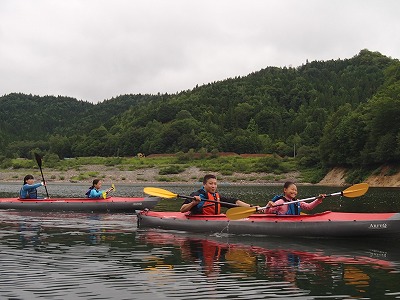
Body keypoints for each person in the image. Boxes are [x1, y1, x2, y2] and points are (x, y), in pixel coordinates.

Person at [180, 174, 256, 215]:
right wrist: (193, 203)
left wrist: (251, 207)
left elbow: (234, 201)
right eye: (210, 183)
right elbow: (182, 209)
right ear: (204, 184)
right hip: (197, 219)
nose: (213, 186)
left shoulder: (216, 196)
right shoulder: (197, 194)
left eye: (215, 184)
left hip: (213, 219)